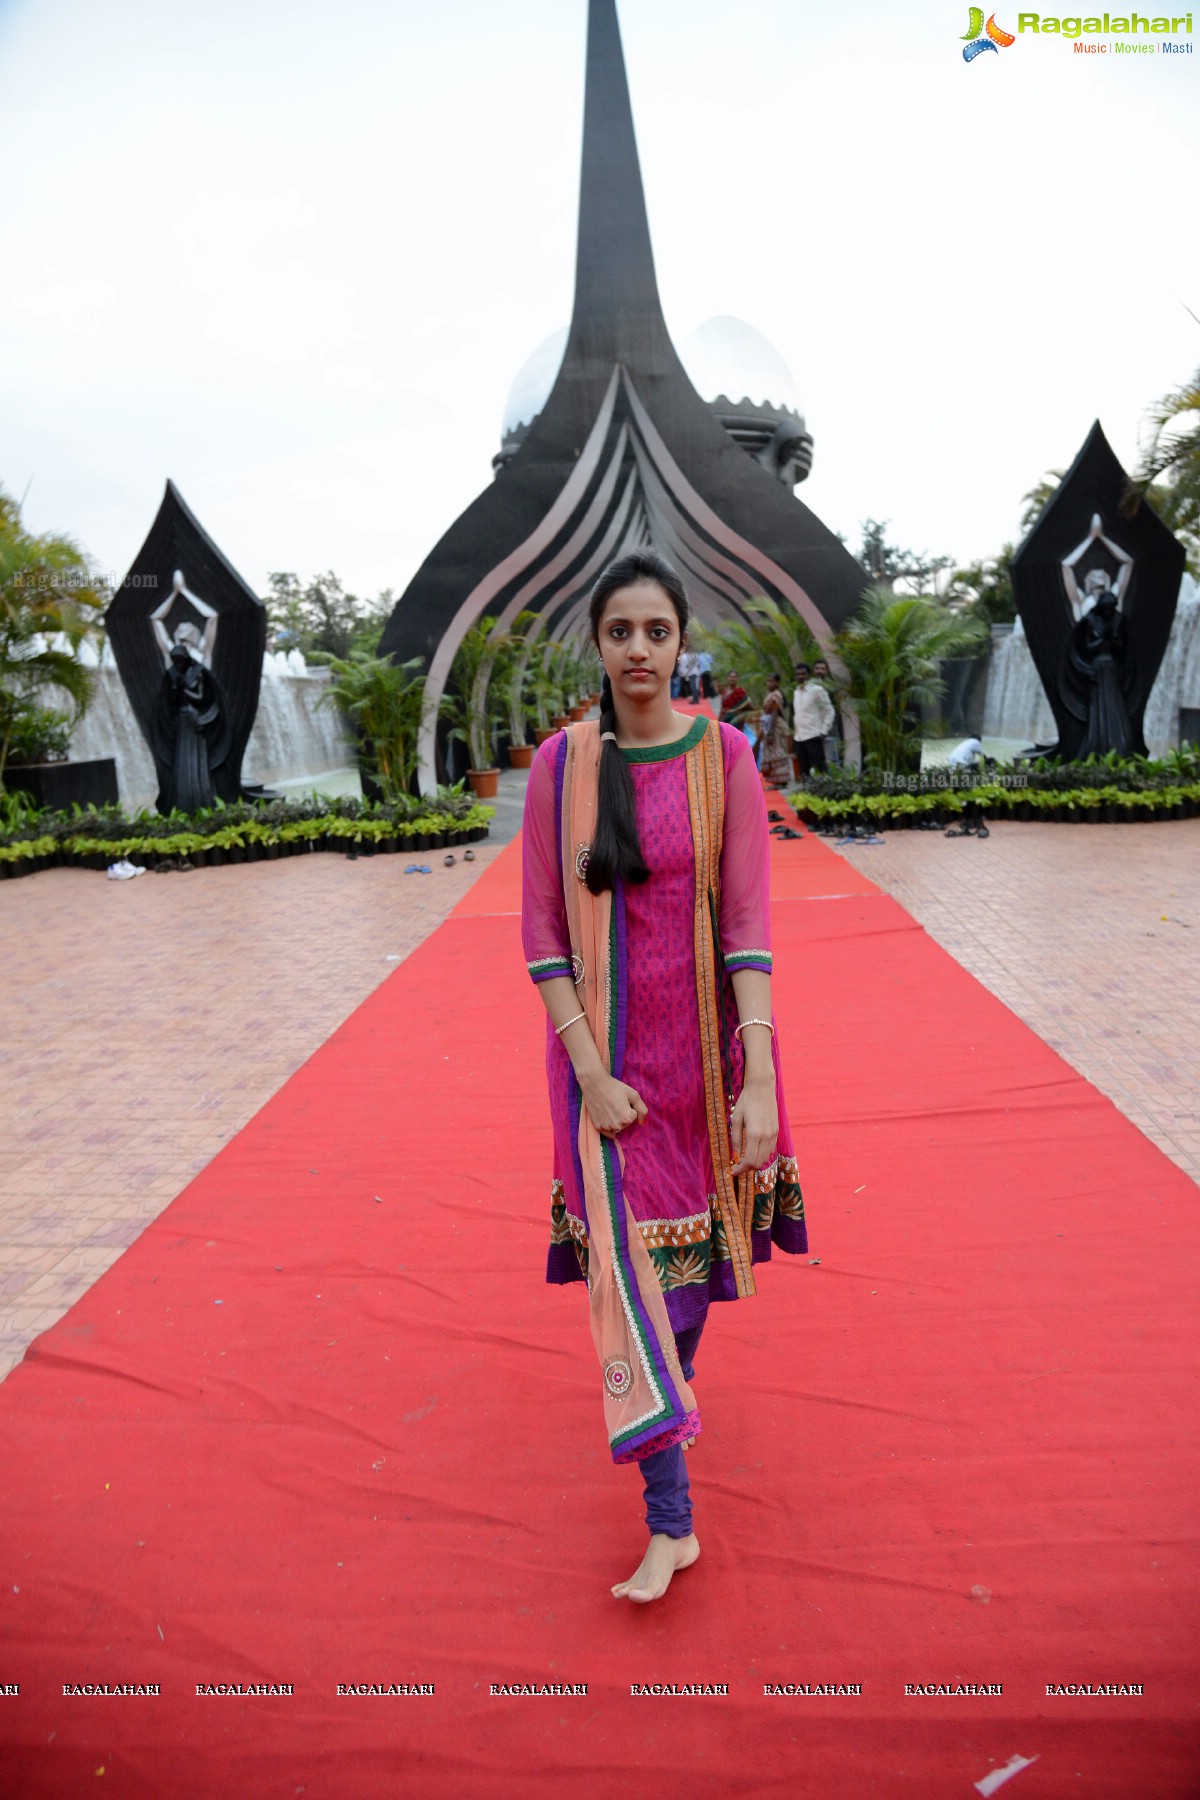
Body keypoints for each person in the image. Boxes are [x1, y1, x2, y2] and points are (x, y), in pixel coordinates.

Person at [520, 550, 807, 1606]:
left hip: (707, 1061)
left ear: (682, 644)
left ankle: (668, 1426)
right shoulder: (564, 767)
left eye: (657, 631)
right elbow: (544, 934)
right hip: (603, 1076)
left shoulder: (723, 753)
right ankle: (671, 1523)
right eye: (619, 632)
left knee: (684, 1296)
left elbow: (747, 922)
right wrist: (589, 1073)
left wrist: (761, 1071)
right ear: (597, 647)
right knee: (626, 1290)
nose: (638, 649)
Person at [792, 661, 835, 780]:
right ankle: (807, 793)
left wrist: (824, 731)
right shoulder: (796, 692)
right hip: (799, 736)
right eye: (798, 674)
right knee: (804, 769)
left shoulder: (817, 690)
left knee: (820, 767)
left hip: (813, 734)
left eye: (803, 674)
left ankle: (825, 791)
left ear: (809, 675)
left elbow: (829, 710)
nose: (800, 676)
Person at [757, 673, 793, 788]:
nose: (769, 683)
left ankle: (782, 780)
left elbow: (774, 713)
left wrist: (771, 732)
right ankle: (778, 781)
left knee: (778, 752)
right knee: (773, 752)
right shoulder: (772, 694)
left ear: (777, 683)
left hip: (775, 727)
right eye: (768, 681)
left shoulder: (775, 695)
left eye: (771, 681)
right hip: (770, 725)